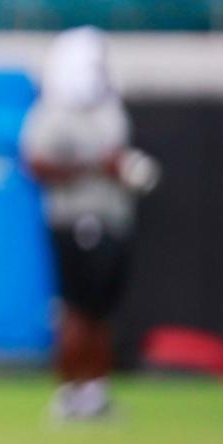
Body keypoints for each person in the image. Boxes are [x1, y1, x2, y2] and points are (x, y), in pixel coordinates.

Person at [21, 27, 159, 421]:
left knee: (101, 310)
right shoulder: (53, 114)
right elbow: (35, 164)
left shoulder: (109, 109)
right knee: (79, 309)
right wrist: (99, 167)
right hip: (76, 219)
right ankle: (68, 392)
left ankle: (95, 392)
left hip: (114, 217)